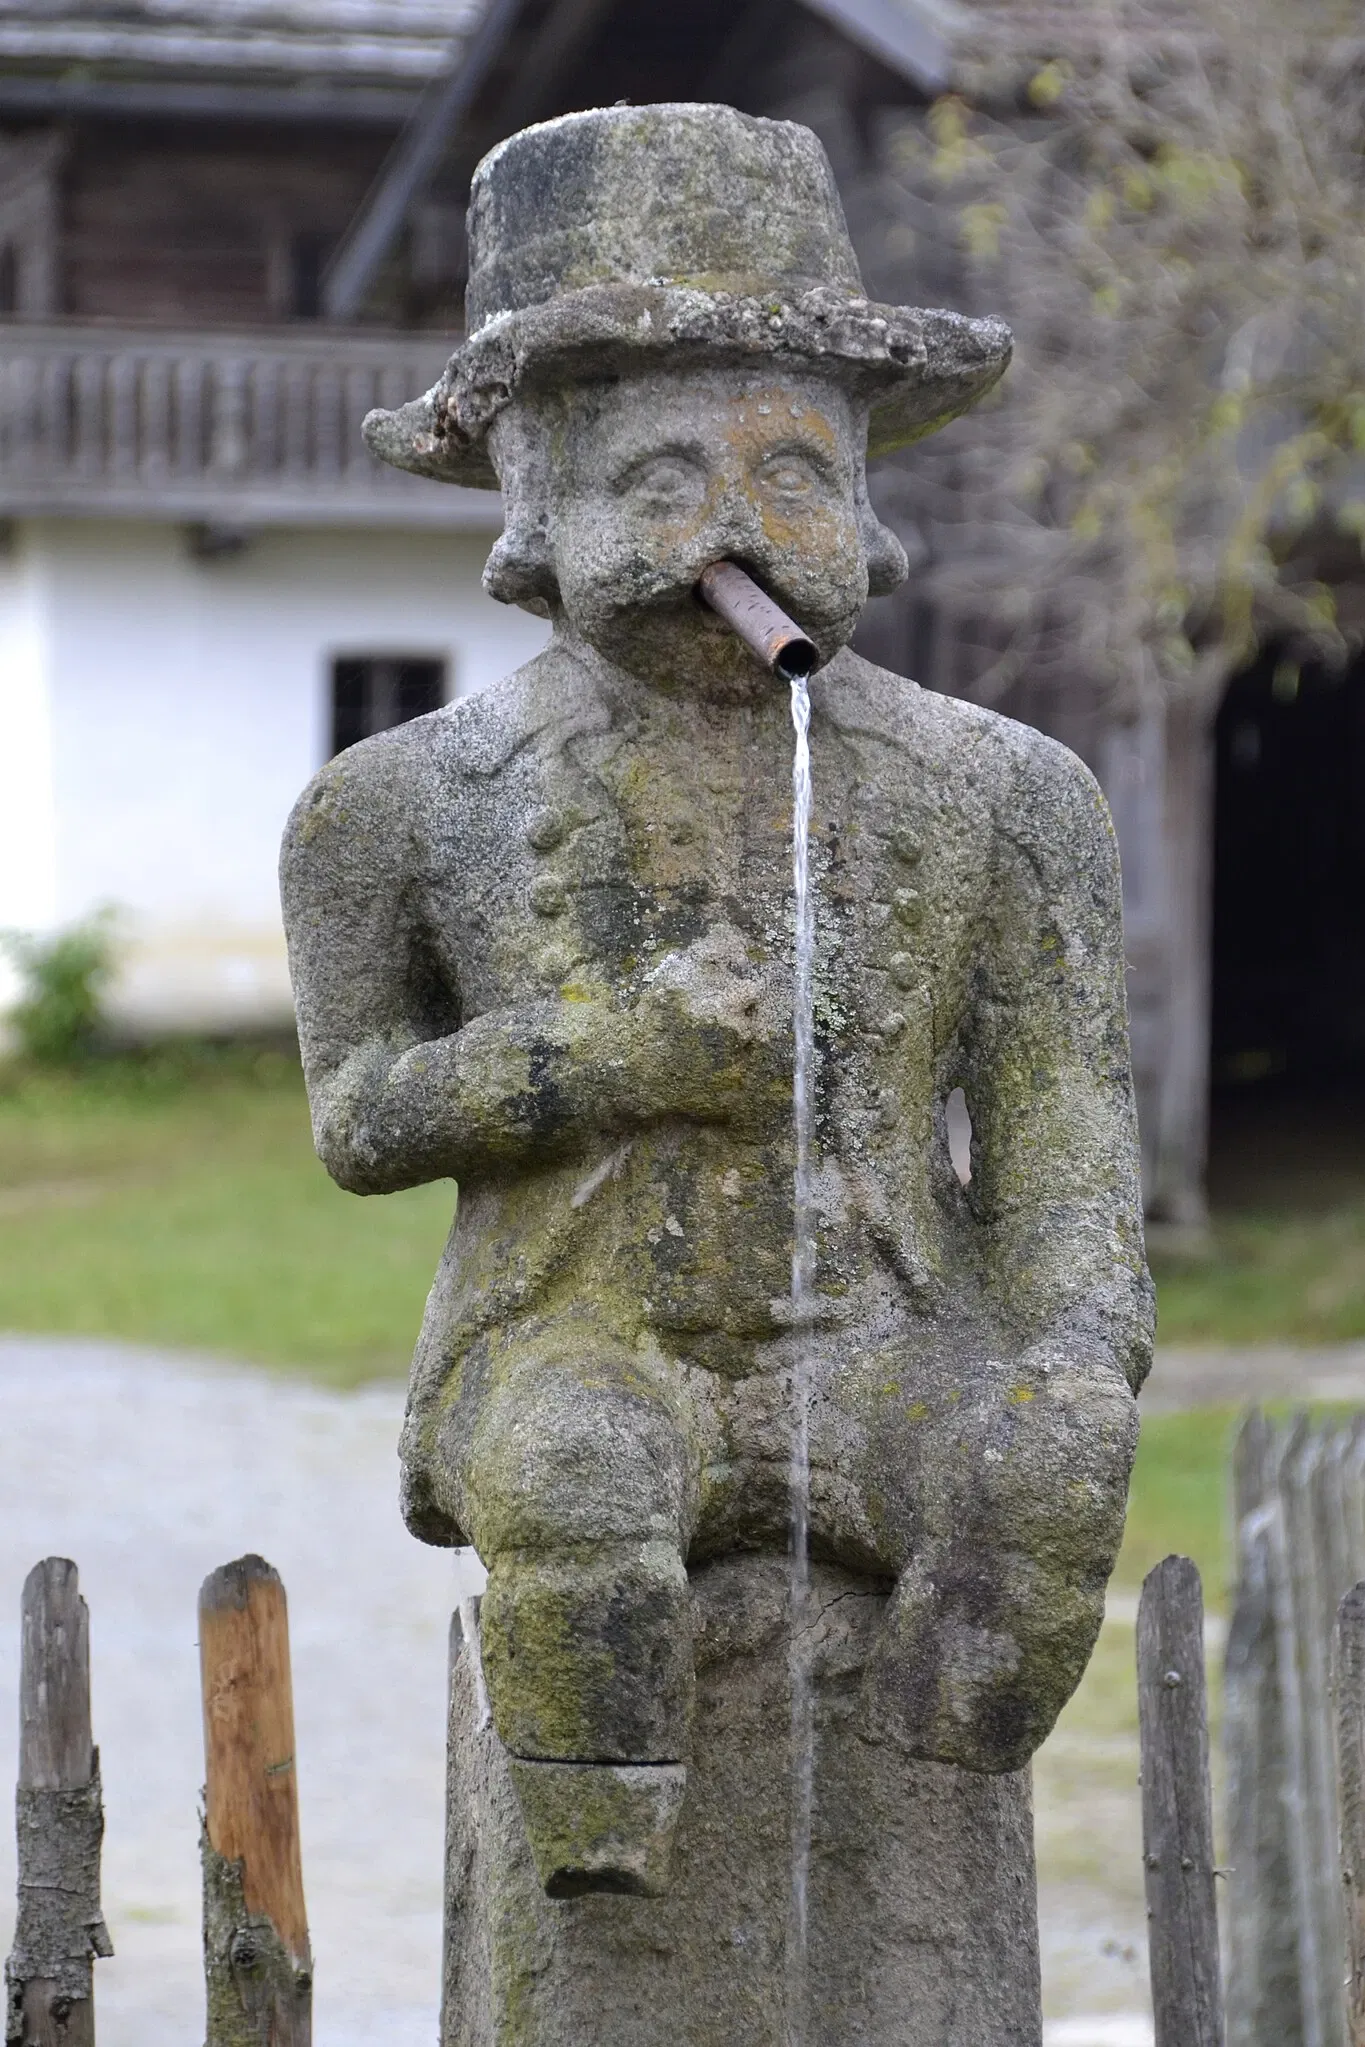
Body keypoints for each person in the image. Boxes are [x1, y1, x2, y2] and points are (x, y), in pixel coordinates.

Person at [281, 102, 1153, 1895]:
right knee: (581, 1492)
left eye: (794, 474)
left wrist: (1073, 1359)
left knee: (1046, 1482)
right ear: (534, 490)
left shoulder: (1008, 794)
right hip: (571, 1341)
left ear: (866, 492)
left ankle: (913, 1859)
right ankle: (605, 1875)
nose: (733, 528)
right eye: (661, 479)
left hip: (895, 1350)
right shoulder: (402, 804)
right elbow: (359, 1114)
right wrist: (605, 1056)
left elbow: (1065, 1146)